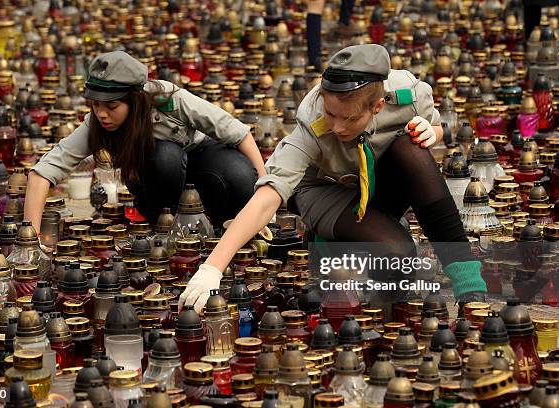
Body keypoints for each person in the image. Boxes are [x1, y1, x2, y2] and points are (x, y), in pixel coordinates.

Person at [180, 44, 487, 313]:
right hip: (324, 190)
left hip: (375, 179)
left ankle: (468, 283)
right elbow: (268, 196)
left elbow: (435, 128)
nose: (338, 126)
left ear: (378, 106)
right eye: (331, 113)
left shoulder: (407, 94)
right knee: (397, 251)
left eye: (349, 118)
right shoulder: (312, 123)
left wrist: (430, 132)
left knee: (413, 148)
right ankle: (340, 254)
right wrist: (212, 268)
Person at [24, 51, 266, 232]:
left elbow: (238, 133)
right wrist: (31, 238)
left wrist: (265, 192)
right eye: (95, 104)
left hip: (201, 161)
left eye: (112, 106)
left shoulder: (167, 98)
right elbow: (42, 173)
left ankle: (229, 226)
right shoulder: (97, 123)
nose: (101, 114)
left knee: (239, 173)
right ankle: (164, 229)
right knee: (165, 157)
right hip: (158, 181)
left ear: (136, 101)